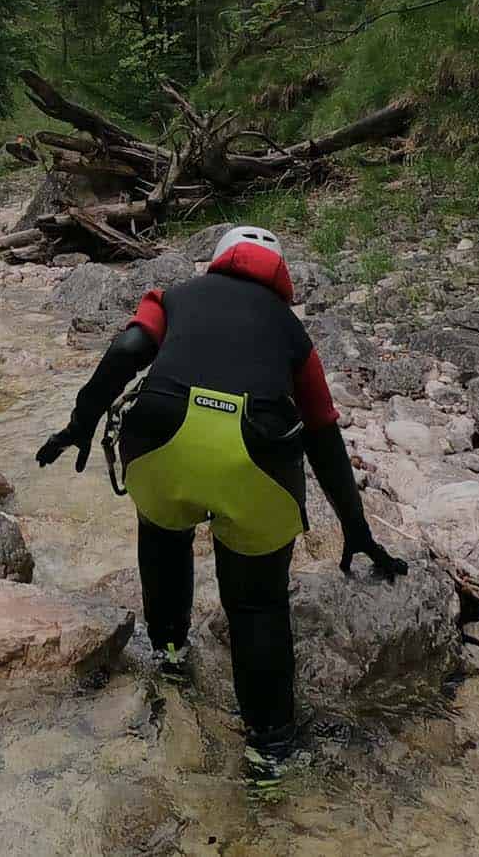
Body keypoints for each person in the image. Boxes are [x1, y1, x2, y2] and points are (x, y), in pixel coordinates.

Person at [35, 225, 407, 791]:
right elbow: (323, 433)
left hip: (161, 438)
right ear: (279, 277)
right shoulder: (291, 329)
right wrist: (356, 529)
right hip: (256, 454)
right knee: (257, 606)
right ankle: (270, 754)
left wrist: (80, 423)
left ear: (216, 261)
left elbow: (129, 350)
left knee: (163, 540)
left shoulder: (175, 295)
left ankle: (167, 657)